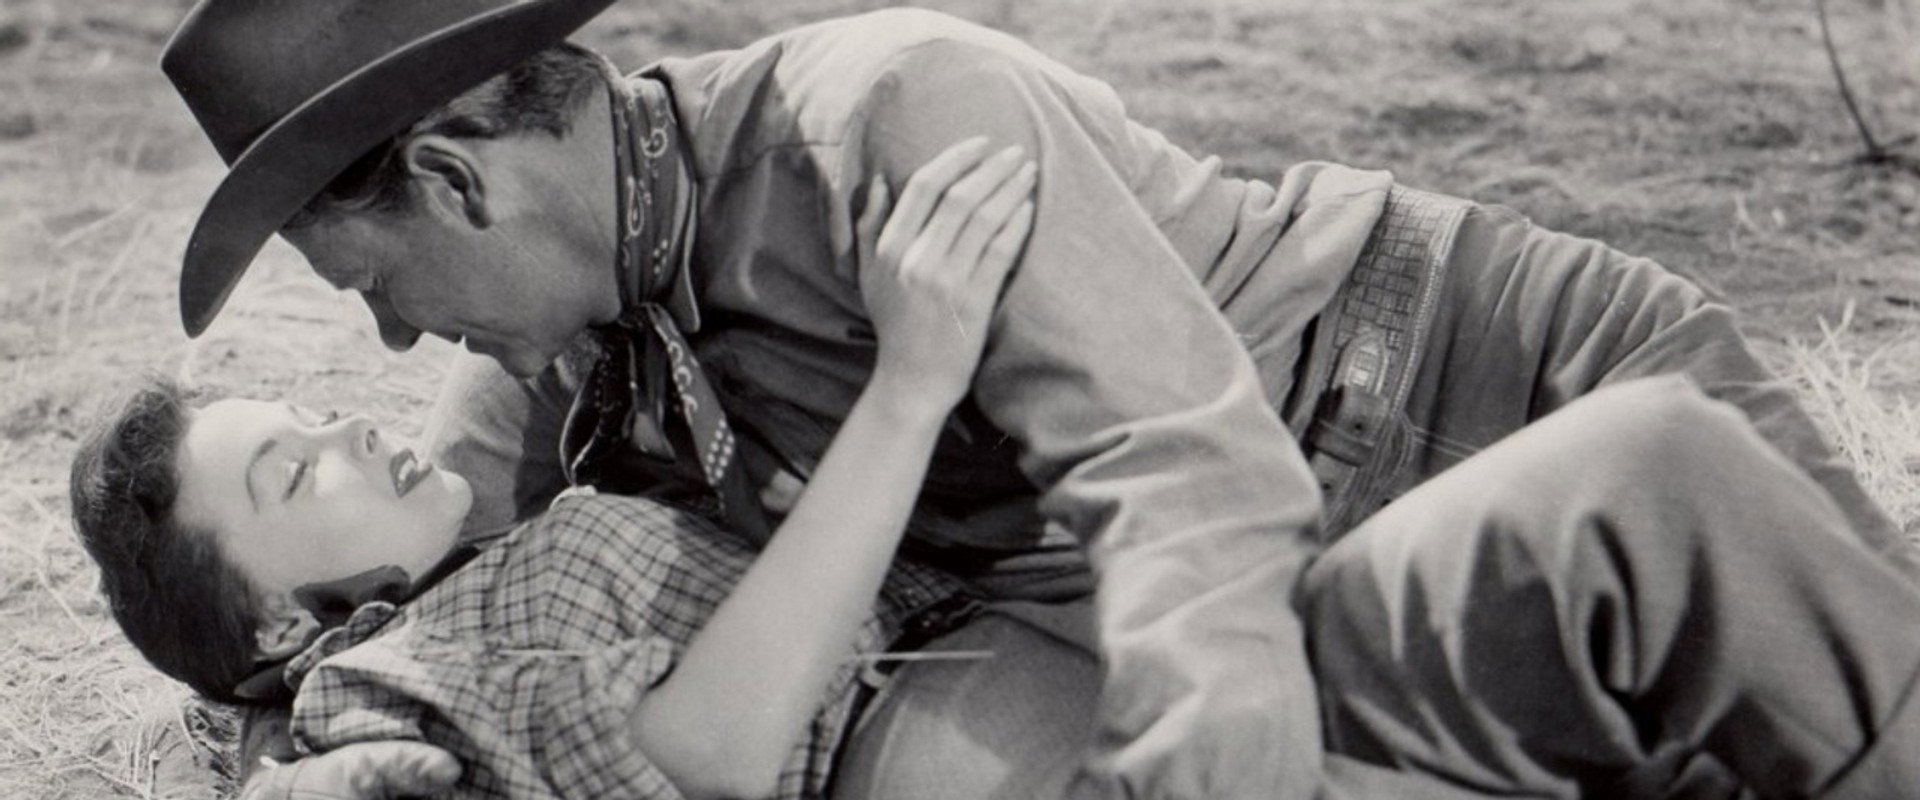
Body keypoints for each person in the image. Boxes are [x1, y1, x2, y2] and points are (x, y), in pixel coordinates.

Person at [157, 1, 1920, 797]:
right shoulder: (549, 359)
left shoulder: (893, 113)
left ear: (460, 186)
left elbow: (1176, 468)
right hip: (1315, 579)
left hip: (1483, 389)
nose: (389, 350)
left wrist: (1213, 722)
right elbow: (403, 634)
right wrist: (271, 693)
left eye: (369, 288)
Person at [72, 144, 1034, 800]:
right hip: (932, 734)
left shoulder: (474, 554)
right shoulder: (373, 685)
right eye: (293, 474)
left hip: (982, 657)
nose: (355, 430)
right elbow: (704, 753)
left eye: (318, 418)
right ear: (284, 621)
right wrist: (912, 383)